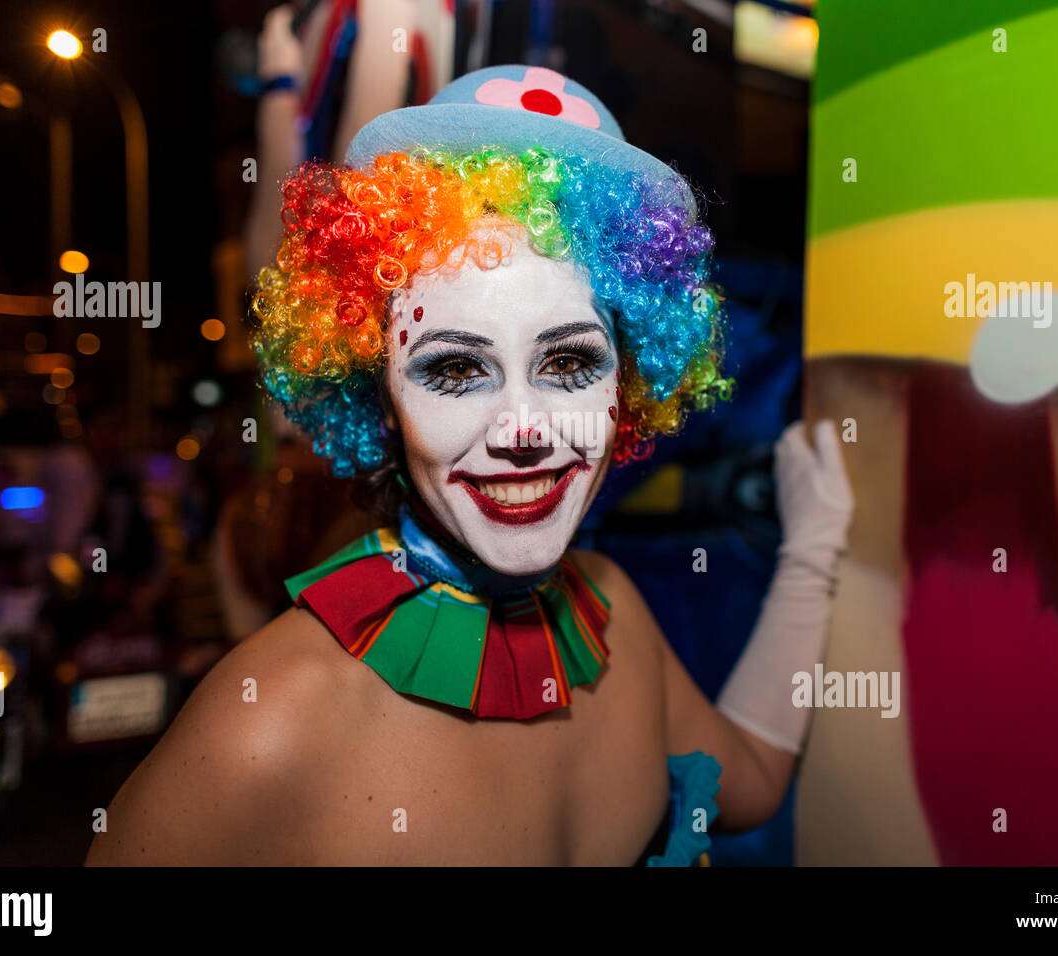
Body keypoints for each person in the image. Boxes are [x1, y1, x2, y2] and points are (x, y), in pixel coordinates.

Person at [87, 65, 852, 866]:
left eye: (568, 364)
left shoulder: (613, 614)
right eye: (456, 370)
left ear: (627, 386)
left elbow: (752, 778)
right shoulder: (268, 723)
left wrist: (816, 551)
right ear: (374, 390)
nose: (523, 429)